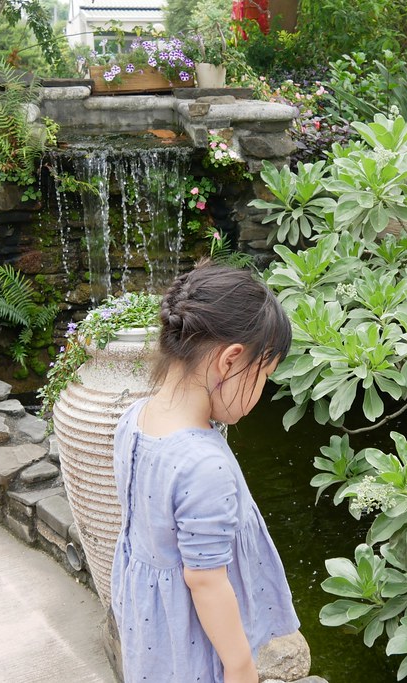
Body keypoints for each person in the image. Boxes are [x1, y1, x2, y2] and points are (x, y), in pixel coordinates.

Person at [110, 262, 299, 683]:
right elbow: (206, 581)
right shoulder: (204, 465)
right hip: (195, 644)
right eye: (263, 375)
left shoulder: (134, 418)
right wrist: (240, 665)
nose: (261, 391)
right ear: (230, 360)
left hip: (151, 629)